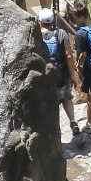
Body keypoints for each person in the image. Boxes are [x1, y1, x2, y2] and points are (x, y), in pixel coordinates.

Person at [37, 8, 78, 136]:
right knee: (66, 97)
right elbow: (69, 56)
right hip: (61, 74)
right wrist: (72, 75)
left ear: (39, 21)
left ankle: (53, 130)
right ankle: (73, 121)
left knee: (50, 102)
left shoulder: (36, 35)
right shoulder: (61, 33)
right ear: (53, 20)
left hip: (44, 76)